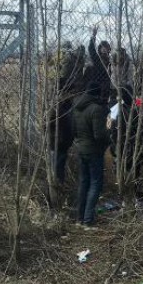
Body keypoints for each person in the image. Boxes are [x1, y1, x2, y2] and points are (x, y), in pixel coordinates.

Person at [46, 42, 85, 184]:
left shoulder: (57, 56)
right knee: (59, 155)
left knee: (55, 156)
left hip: (58, 92)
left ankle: (56, 182)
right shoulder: (70, 58)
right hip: (66, 92)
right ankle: (58, 182)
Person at [73, 81, 110, 227]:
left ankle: (79, 218)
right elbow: (99, 135)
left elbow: (74, 130)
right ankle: (88, 220)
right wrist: (109, 130)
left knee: (83, 183)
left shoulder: (77, 107)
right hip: (94, 151)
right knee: (95, 184)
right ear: (97, 93)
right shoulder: (96, 109)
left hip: (81, 149)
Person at [109, 84, 143, 202]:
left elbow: (109, 127)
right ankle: (137, 199)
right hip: (133, 149)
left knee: (123, 174)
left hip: (121, 149)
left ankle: (124, 200)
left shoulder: (117, 109)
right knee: (135, 174)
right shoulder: (137, 108)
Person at [84, 27, 112, 104]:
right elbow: (91, 49)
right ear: (100, 49)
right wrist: (93, 36)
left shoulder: (110, 62)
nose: (104, 49)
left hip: (105, 89)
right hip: (95, 87)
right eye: (103, 47)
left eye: (106, 47)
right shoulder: (97, 59)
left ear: (109, 49)